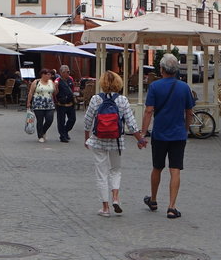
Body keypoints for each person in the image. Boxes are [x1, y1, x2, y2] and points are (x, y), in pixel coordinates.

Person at [139, 53, 195, 220]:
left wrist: (143, 132)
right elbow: (189, 112)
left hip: (160, 133)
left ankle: (154, 200)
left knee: (157, 167)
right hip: (178, 134)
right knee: (175, 169)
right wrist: (185, 129)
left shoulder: (155, 87)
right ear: (176, 70)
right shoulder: (184, 88)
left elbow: (149, 111)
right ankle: (172, 207)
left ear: (161, 69)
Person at [82, 71, 144, 217]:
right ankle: (115, 197)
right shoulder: (122, 100)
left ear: (102, 83)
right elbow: (131, 123)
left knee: (101, 173)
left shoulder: (96, 99)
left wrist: (87, 138)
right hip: (116, 140)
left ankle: (105, 207)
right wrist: (139, 140)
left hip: (98, 140)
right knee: (115, 170)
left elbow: (87, 121)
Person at [27, 68, 57, 144]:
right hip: (38, 104)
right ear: (43, 75)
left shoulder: (51, 82)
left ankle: (43, 131)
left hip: (49, 104)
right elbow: (31, 92)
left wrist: (56, 87)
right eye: (48, 74)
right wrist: (28, 102)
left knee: (49, 119)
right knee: (40, 120)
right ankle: (40, 136)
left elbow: (55, 93)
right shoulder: (36, 82)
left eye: (50, 74)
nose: (49, 76)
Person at [55, 65, 77, 143]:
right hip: (61, 104)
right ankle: (62, 135)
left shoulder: (70, 79)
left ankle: (65, 131)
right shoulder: (57, 81)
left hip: (70, 103)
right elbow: (55, 93)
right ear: (61, 72)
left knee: (72, 119)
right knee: (61, 121)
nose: (68, 73)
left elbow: (72, 89)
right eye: (66, 72)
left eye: (68, 71)